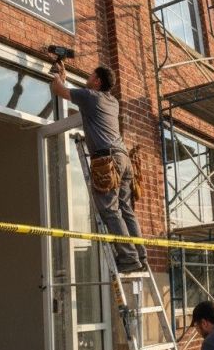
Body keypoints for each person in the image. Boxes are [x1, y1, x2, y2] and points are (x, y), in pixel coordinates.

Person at [50, 62, 146, 274]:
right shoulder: (113, 101)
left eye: (90, 76)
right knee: (125, 209)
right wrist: (67, 81)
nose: (87, 77)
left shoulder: (90, 97)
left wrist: (57, 74)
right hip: (124, 159)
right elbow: (78, 94)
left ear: (97, 81)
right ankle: (140, 254)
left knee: (110, 210)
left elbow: (58, 90)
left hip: (107, 161)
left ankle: (129, 257)